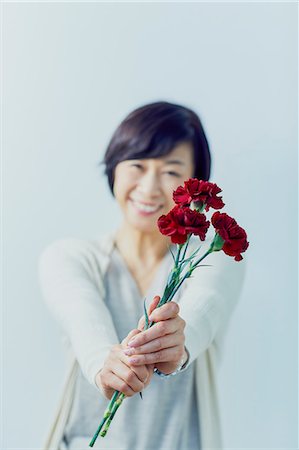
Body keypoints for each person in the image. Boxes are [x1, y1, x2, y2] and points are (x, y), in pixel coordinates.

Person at [38, 101, 246, 450]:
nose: (150, 187)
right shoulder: (71, 258)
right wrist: (105, 363)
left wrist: (179, 344)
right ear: (114, 169)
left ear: (195, 185)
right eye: (137, 165)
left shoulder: (212, 258)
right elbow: (83, 320)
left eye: (170, 171)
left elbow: (203, 312)